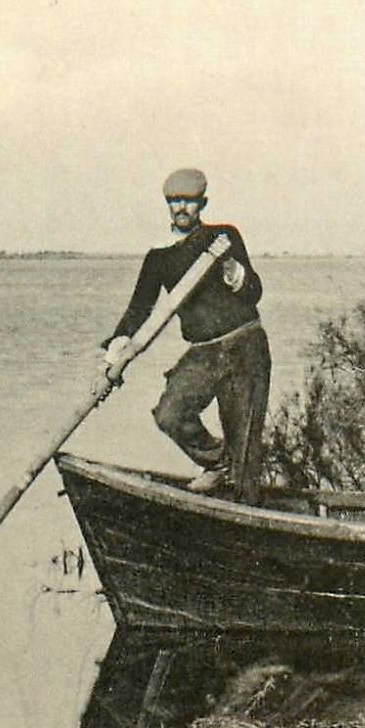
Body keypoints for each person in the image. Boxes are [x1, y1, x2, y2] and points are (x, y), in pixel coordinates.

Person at [95, 168, 271, 501]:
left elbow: (255, 292)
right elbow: (139, 309)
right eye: (174, 201)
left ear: (202, 203)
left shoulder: (224, 238)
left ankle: (244, 513)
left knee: (246, 451)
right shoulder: (159, 258)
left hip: (245, 345)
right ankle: (219, 464)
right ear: (167, 205)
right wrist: (114, 353)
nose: (181, 208)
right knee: (170, 414)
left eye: (188, 201)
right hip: (203, 352)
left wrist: (239, 275)